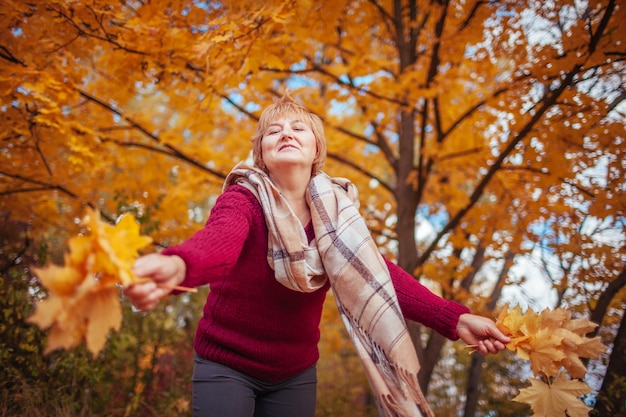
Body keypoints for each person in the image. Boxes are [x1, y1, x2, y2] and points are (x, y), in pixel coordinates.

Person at [125, 93, 510, 417]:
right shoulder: (243, 198)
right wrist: (178, 266)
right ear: (260, 152)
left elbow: (379, 275)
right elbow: (219, 243)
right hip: (226, 363)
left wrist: (455, 319)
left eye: (298, 128)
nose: (286, 133)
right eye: (274, 130)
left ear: (316, 150)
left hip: (294, 372)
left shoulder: (339, 216)